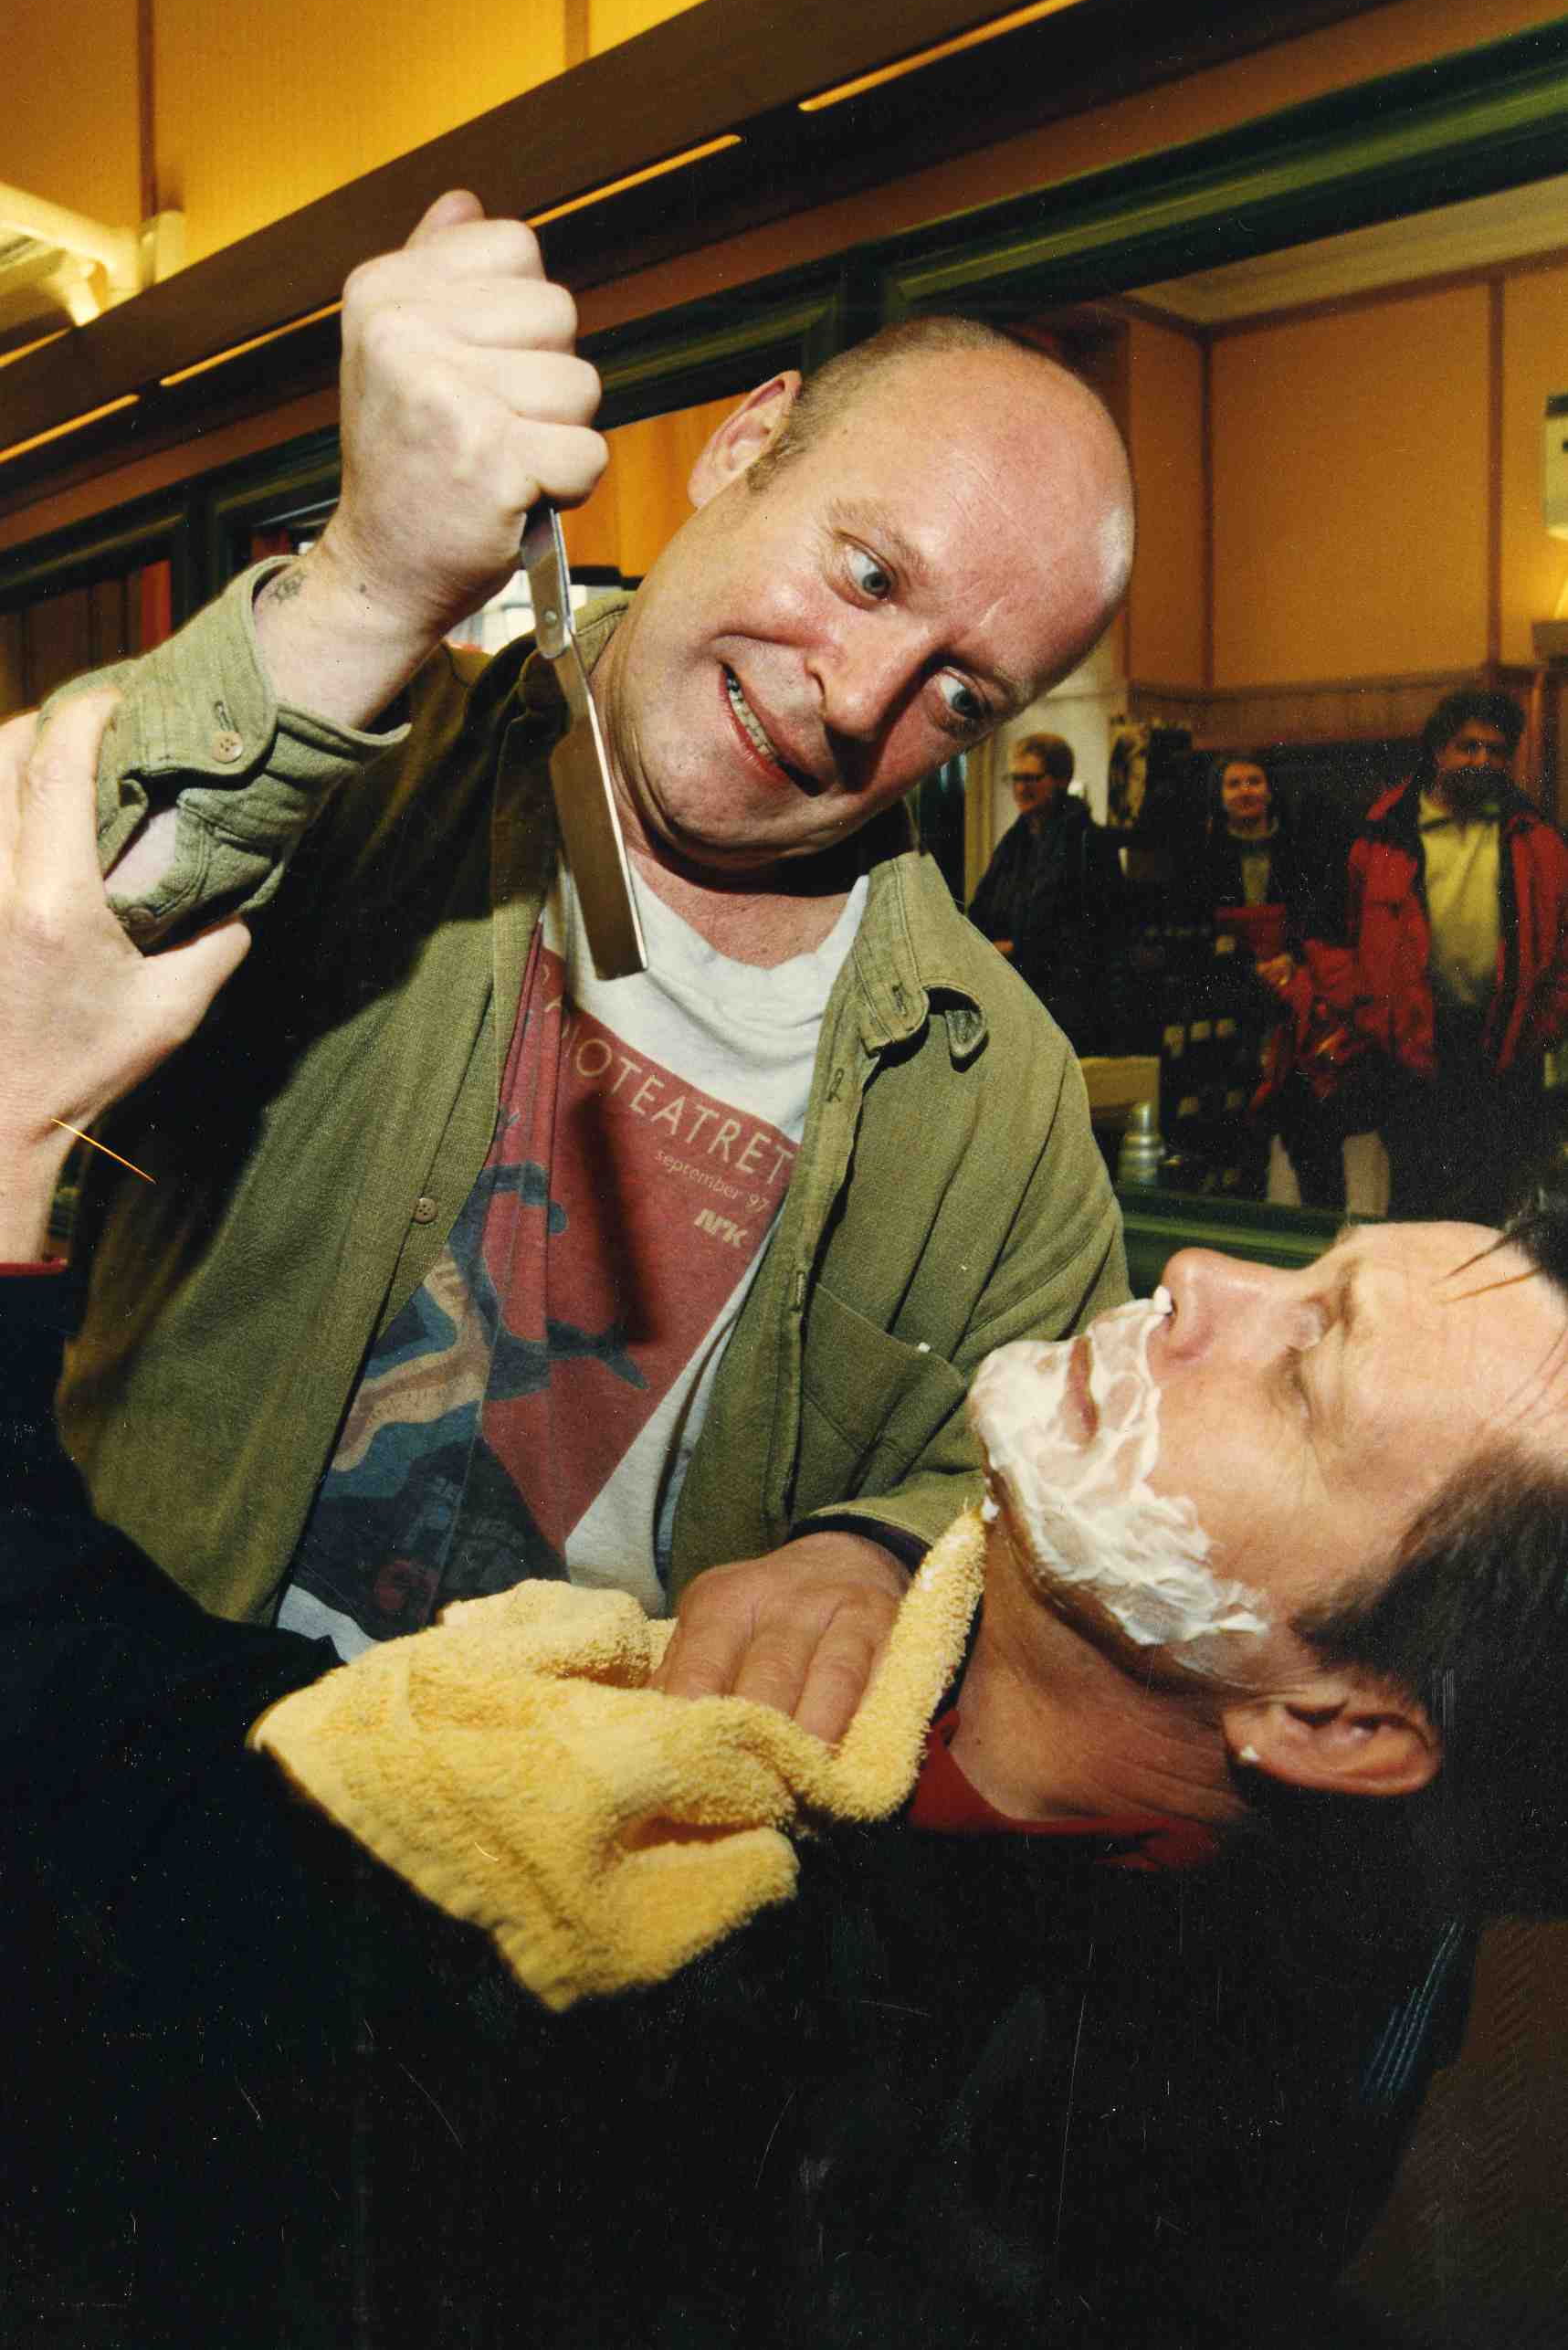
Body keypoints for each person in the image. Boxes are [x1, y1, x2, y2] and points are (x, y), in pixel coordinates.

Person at [8, 695, 1568, 2349]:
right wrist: (882, 1540)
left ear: (1334, 1724)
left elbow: (99, 1767)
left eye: (1303, 1374)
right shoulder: (1290, 1884)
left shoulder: (771, 2065)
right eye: (1309, 1271)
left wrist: (17, 1132)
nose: (1198, 1278)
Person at [48, 192, 1135, 1738]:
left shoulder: (991, 1096)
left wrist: (876, 1549)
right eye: (869, 577)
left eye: (960, 697)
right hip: (142, 1753)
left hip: (567, 1839)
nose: (857, 698)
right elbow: (57, 894)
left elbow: (1045, 1481)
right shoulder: (370, 774)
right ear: (746, 444)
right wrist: (365, 590)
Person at [1265, 690, 1568, 1225]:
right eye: (1468, 747)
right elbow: (1325, 937)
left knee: (1494, 1215)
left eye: (1496, 750)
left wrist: (1544, 1024)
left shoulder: (1538, 840)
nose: (1482, 760)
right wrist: (1367, 1010)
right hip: (1411, 1052)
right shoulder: (1379, 835)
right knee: (1416, 1207)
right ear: (1437, 751)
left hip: (1502, 1049)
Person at [1199, 754, 1347, 1207]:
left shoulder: (1304, 848)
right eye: (1234, 784)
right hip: (1233, 1008)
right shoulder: (1203, 856)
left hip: (1298, 1005)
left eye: (1254, 781)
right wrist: (1248, 966)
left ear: (1269, 789)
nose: (1245, 791)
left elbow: (1326, 916)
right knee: (1240, 1147)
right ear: (1220, 796)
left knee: (1315, 1145)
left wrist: (1292, 958)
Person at [967, 730, 1124, 1047]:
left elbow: (1095, 934)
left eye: (1031, 778)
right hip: (1014, 997)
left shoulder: (1089, 842)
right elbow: (981, 911)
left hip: (1068, 1007)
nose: (1021, 788)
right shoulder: (1013, 844)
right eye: (1015, 778)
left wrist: (1017, 948)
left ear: (1061, 780)